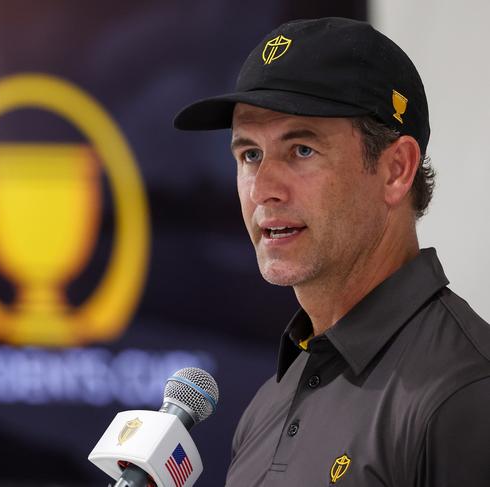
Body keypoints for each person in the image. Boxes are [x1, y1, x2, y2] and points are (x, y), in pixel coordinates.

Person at [173, 17, 490, 487]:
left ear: (396, 169)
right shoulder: (267, 406)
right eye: (249, 155)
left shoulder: (463, 394)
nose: (263, 189)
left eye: (301, 150)